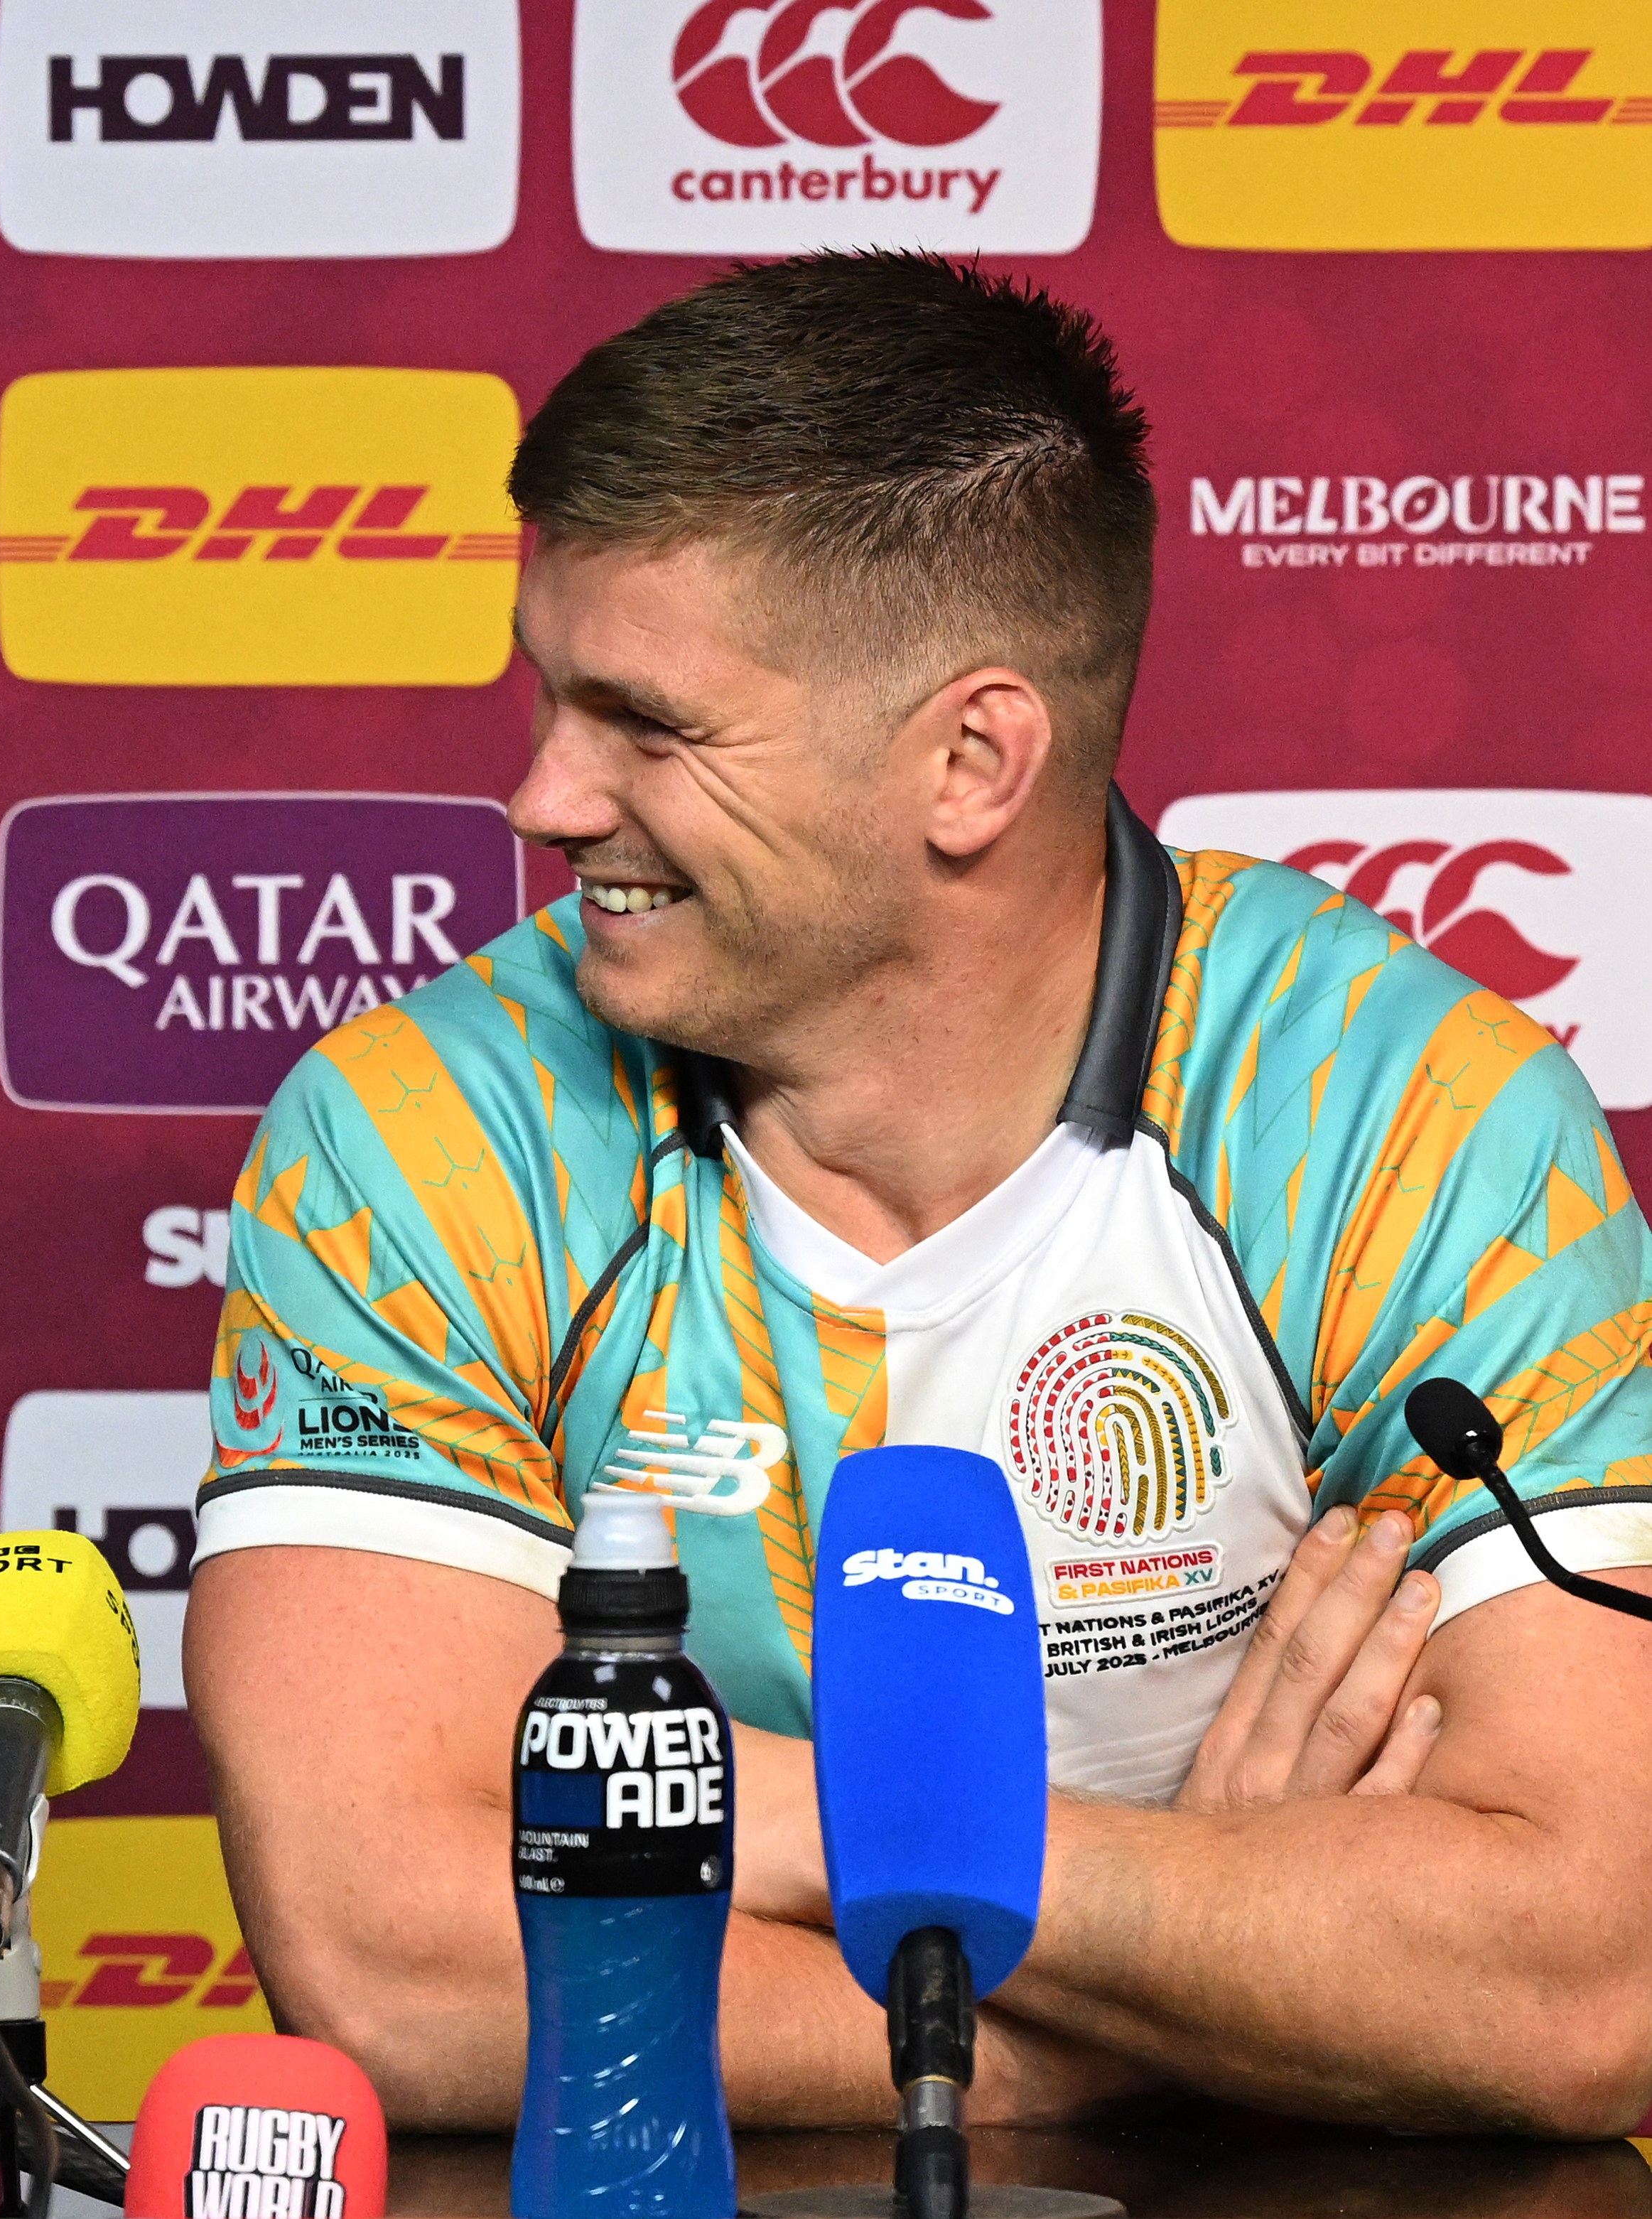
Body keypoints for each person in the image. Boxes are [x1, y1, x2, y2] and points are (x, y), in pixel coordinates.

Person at [190, 253, 1652, 2137]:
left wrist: (751, 1819)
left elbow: (1586, 1978)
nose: (546, 797)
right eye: (552, 698)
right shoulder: (413, 1137)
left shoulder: (1411, 1120)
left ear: (972, 761)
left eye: (651, 726)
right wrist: (1222, 1979)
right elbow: (392, 1959)